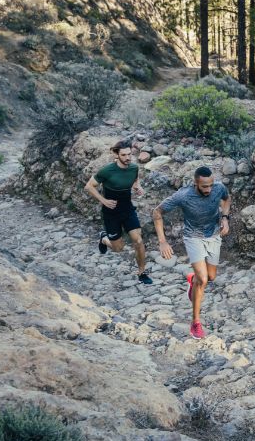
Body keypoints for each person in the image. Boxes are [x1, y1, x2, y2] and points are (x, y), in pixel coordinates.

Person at [153, 166, 231, 339]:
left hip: (214, 235)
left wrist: (225, 218)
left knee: (211, 277)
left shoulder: (219, 188)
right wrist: (162, 241)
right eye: (204, 186)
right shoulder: (183, 195)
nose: (209, 189)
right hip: (193, 237)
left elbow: (227, 199)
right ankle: (195, 322)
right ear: (195, 183)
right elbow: (157, 212)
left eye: (210, 185)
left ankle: (192, 280)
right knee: (203, 279)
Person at [84, 139, 152, 284]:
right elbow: (89, 186)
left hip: (127, 209)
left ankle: (142, 272)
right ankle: (103, 238)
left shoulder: (134, 168)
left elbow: (135, 179)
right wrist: (104, 201)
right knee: (118, 248)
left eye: (129, 154)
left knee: (138, 241)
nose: (128, 158)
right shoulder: (107, 171)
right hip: (111, 212)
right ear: (116, 155)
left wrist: (137, 187)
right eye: (124, 155)